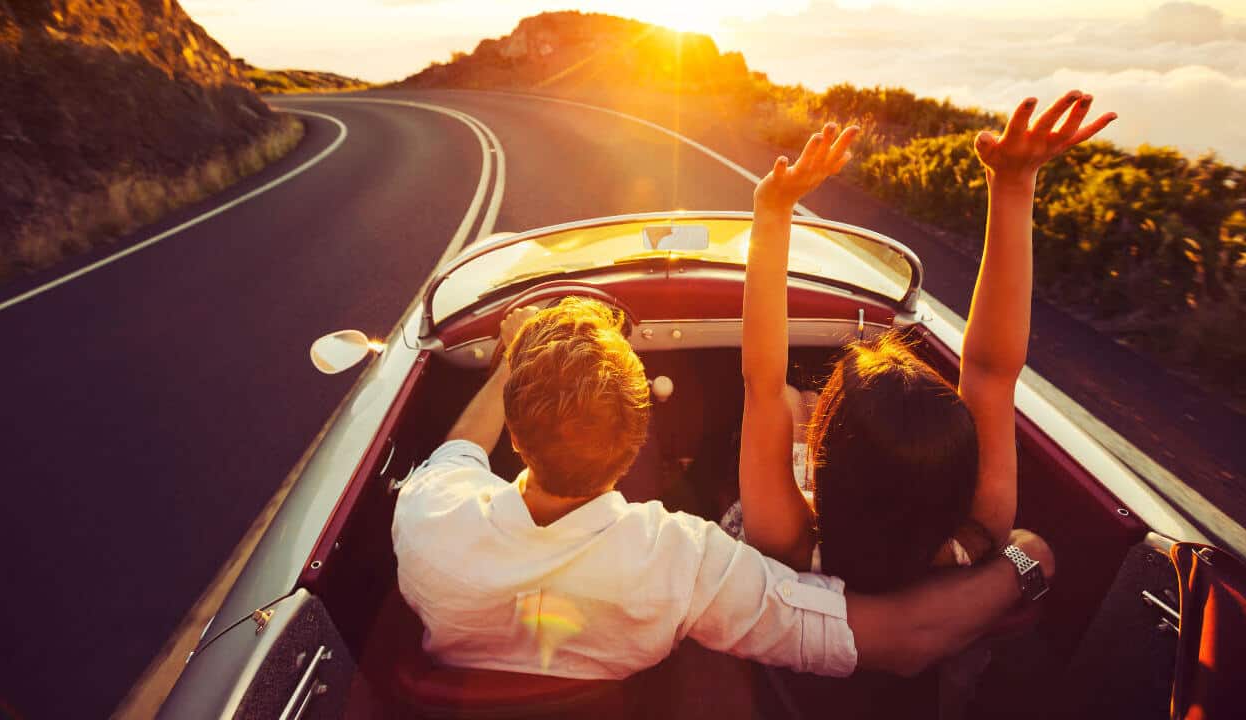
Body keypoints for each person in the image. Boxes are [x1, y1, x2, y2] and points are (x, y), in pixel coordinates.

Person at [392, 295, 1056, 683]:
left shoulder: (427, 513)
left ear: (516, 432)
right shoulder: (685, 562)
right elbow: (903, 638)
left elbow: (458, 450)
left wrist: (513, 361)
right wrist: (1025, 561)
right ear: (636, 442)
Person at [736, 90, 1117, 585]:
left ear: (821, 466)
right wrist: (1015, 185)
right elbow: (990, 372)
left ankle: (809, 406)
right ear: (957, 476)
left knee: (789, 398)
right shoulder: (979, 532)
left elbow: (762, 383)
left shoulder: (785, 540)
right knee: (792, 399)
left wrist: (771, 211)